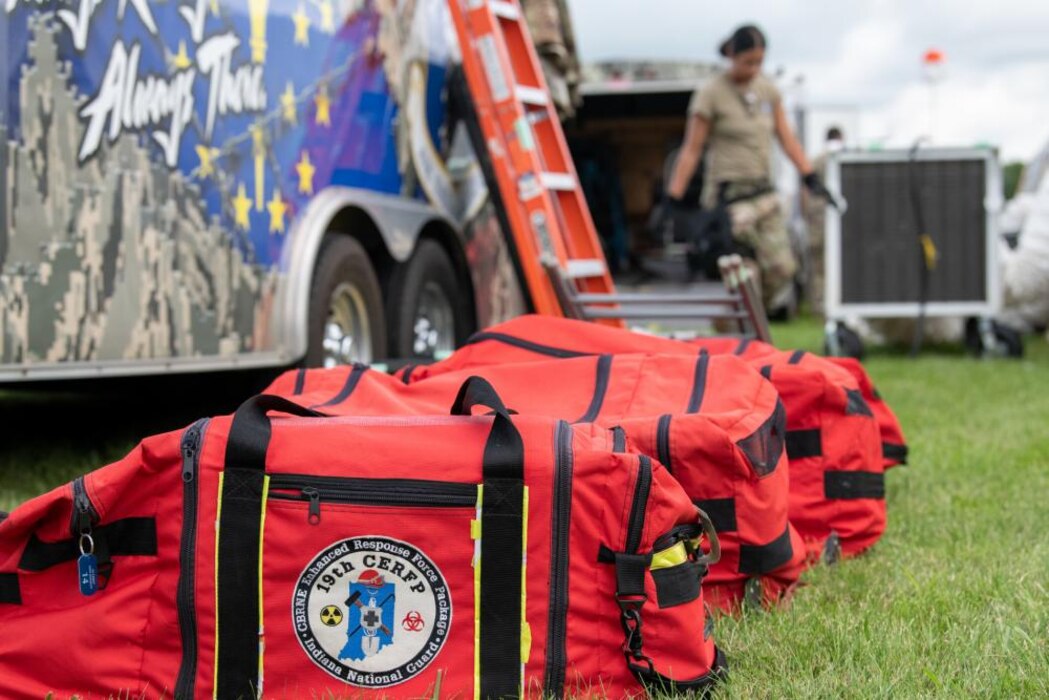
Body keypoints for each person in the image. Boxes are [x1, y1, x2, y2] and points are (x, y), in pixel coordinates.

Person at [664, 24, 835, 315]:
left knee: (783, 268)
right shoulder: (711, 93)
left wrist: (809, 176)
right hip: (729, 199)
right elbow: (691, 149)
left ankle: (740, 320)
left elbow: (787, 139)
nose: (754, 68)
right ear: (732, 55)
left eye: (759, 62)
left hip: (764, 194)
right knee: (746, 274)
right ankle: (745, 324)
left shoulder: (768, 91)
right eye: (748, 62)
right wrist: (674, 198)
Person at [802, 126, 846, 315]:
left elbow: (805, 190)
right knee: (832, 262)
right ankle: (833, 304)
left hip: (817, 219)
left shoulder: (816, 160)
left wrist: (805, 215)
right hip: (831, 219)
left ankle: (819, 307)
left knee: (818, 264)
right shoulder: (842, 158)